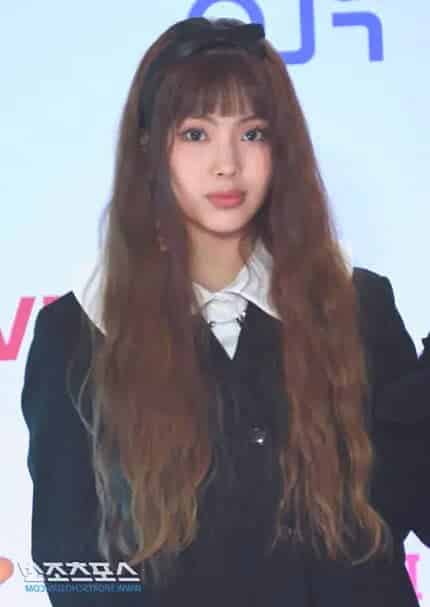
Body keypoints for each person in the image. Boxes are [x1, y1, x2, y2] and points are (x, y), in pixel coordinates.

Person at [21, 16, 430, 607]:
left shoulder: (358, 306)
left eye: (253, 133)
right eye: (195, 134)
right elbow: (73, 570)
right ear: (148, 146)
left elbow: (414, 502)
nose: (227, 164)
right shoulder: (78, 333)